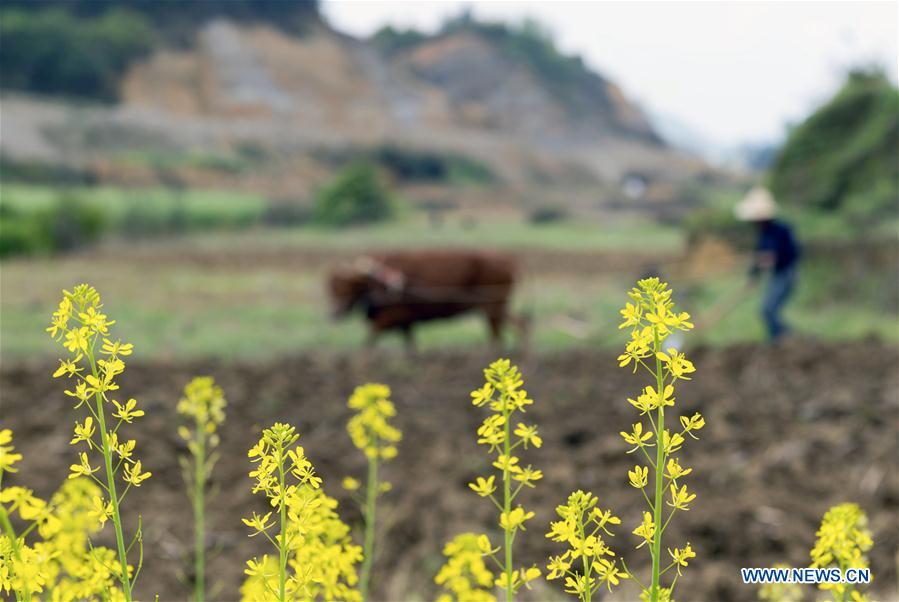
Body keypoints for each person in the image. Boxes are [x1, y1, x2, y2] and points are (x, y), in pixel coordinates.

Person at [735, 187, 800, 341]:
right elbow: (761, 257)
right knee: (767, 311)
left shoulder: (779, 231)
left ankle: (787, 338)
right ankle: (779, 340)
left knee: (768, 310)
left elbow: (770, 256)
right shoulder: (765, 233)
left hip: (786, 273)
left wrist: (763, 263)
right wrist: (753, 276)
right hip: (779, 273)